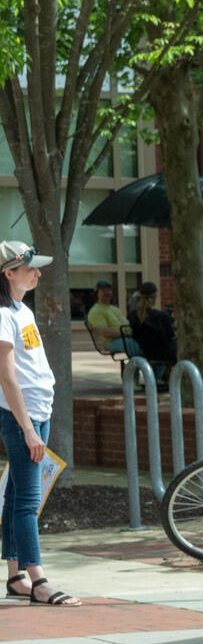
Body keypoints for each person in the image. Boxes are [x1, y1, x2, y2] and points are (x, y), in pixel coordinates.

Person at [0, 245, 73, 606]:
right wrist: (28, 429)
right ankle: (39, 581)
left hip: (37, 413)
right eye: (30, 269)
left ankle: (15, 576)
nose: (38, 274)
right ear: (9, 273)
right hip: (22, 417)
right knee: (29, 501)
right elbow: (7, 377)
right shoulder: (2, 314)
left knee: (16, 495)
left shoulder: (22, 310)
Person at [87, 280, 140, 358]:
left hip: (127, 338)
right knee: (139, 345)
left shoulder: (115, 309)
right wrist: (127, 334)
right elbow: (105, 332)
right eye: (103, 290)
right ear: (97, 294)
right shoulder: (95, 311)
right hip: (112, 342)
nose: (106, 293)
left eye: (108, 290)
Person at [129, 282, 175, 366]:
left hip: (145, 351)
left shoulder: (132, 316)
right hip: (164, 353)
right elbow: (171, 335)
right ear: (154, 297)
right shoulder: (162, 316)